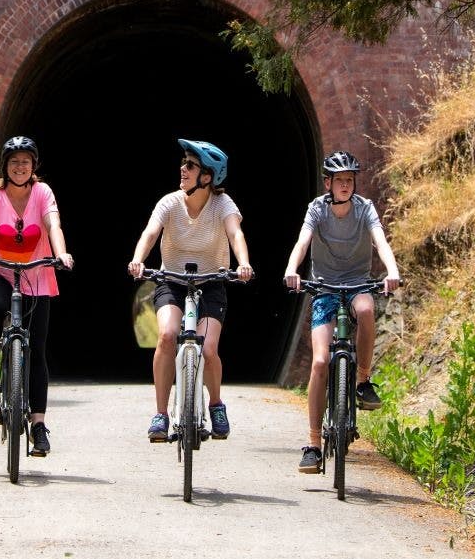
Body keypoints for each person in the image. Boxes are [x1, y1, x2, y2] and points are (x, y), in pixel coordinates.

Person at [282, 150, 401, 473]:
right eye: (340, 181)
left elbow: (381, 242)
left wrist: (392, 271)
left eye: (350, 180)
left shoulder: (365, 209)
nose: (346, 186)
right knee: (320, 361)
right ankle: (313, 444)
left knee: (365, 309)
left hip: (357, 283)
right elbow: (302, 242)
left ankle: (362, 380)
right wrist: (292, 269)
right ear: (328, 184)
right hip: (323, 288)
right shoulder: (317, 210)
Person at [127, 138, 254, 442]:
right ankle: (160, 413)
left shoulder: (223, 204)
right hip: (171, 281)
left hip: (211, 284)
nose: (182, 169)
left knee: (208, 349)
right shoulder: (169, 203)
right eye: (183, 163)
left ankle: (215, 404)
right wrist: (138, 259)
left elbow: (235, 233)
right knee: (168, 336)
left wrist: (244, 263)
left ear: (207, 176)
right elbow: (150, 232)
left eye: (190, 165)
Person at [0, 136, 73, 457]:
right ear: (5, 167)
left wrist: (61, 253)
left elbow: (53, 223)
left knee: (36, 349)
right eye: (14, 162)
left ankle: (38, 424)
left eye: (25, 161)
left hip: (37, 272)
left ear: (33, 165)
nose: (20, 167)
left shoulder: (42, 192)